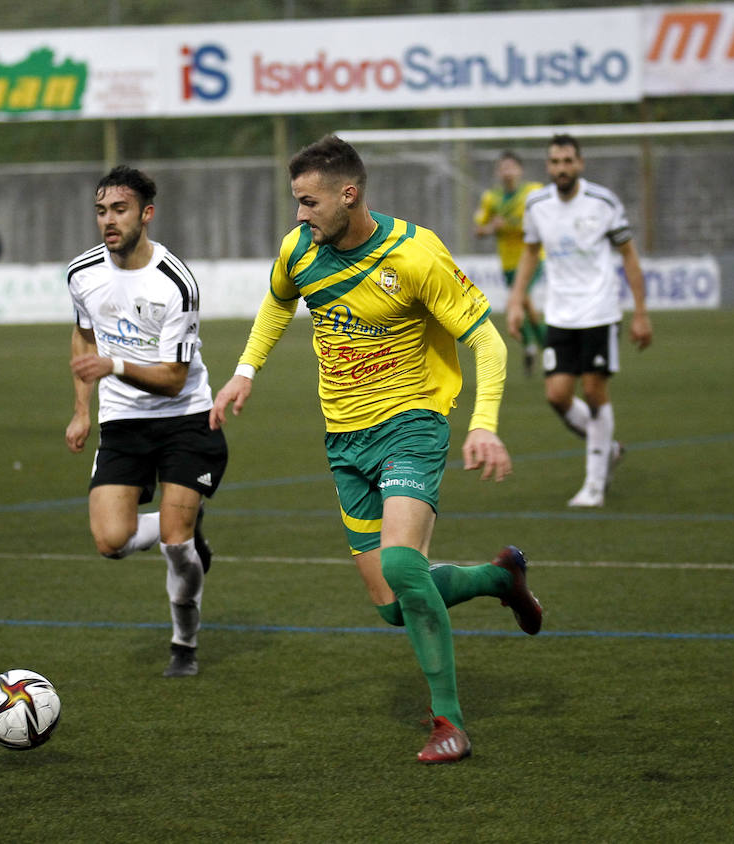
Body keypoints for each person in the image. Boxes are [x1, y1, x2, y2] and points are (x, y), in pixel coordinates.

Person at [209, 135, 542, 764]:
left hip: (412, 424)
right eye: (296, 203)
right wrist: (246, 370)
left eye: (308, 202)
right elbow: (278, 304)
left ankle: (451, 724)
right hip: (344, 439)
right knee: (393, 605)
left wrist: (485, 423)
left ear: (349, 194)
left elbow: (489, 342)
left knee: (399, 565)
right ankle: (502, 578)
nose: (299, 215)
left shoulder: (415, 254)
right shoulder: (299, 250)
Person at [64, 166, 226, 678]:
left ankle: (184, 643)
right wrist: (81, 409)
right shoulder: (82, 274)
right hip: (124, 422)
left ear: (146, 214)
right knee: (110, 541)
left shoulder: (176, 282)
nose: (108, 221)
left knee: (176, 545)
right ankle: (187, 523)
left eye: (119, 210)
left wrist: (112, 366)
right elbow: (84, 337)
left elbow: (175, 379)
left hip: (186, 419)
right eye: (101, 211)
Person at [507, 134, 652, 509]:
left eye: (568, 161)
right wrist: (516, 301)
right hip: (559, 314)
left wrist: (640, 312)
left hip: (600, 312)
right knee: (556, 395)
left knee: (593, 392)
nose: (561, 168)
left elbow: (630, 256)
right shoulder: (537, 204)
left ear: (580, 164)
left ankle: (594, 485)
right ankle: (609, 448)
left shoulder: (603, 203)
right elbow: (529, 252)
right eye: (555, 162)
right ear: (548, 167)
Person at [473, 150, 546, 373]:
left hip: (533, 256)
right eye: (503, 167)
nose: (508, 172)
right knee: (524, 302)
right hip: (508, 262)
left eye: (512, 167)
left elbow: (547, 217)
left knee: (520, 297)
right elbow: (478, 230)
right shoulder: (491, 198)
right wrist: (491, 228)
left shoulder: (534, 192)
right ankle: (539, 346)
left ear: (520, 170)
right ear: (498, 172)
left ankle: (539, 346)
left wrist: (522, 223)